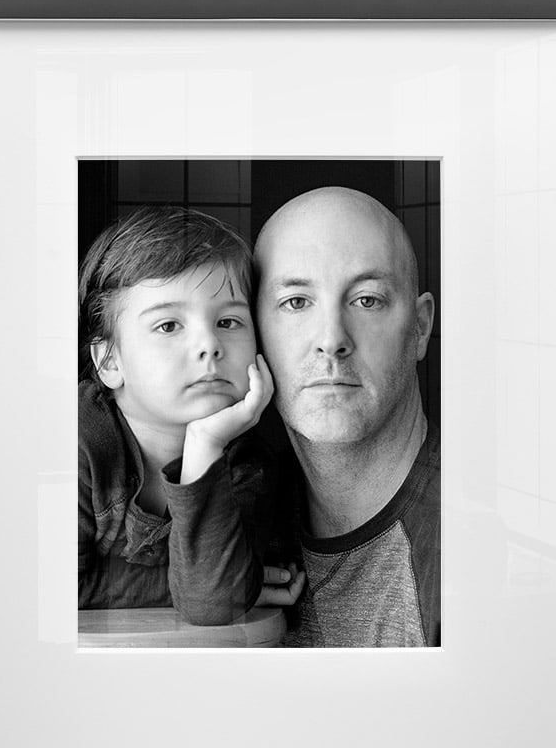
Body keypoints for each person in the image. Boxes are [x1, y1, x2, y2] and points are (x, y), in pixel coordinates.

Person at [78, 205, 304, 624]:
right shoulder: (76, 440)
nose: (209, 344)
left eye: (229, 321)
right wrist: (201, 584)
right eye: (169, 326)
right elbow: (59, 587)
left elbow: (214, 602)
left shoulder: (244, 461)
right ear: (110, 361)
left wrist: (205, 445)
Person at [254, 186, 440, 647]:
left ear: (420, 328)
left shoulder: (462, 552)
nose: (332, 339)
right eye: (296, 302)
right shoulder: (243, 519)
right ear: (253, 332)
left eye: (367, 300)